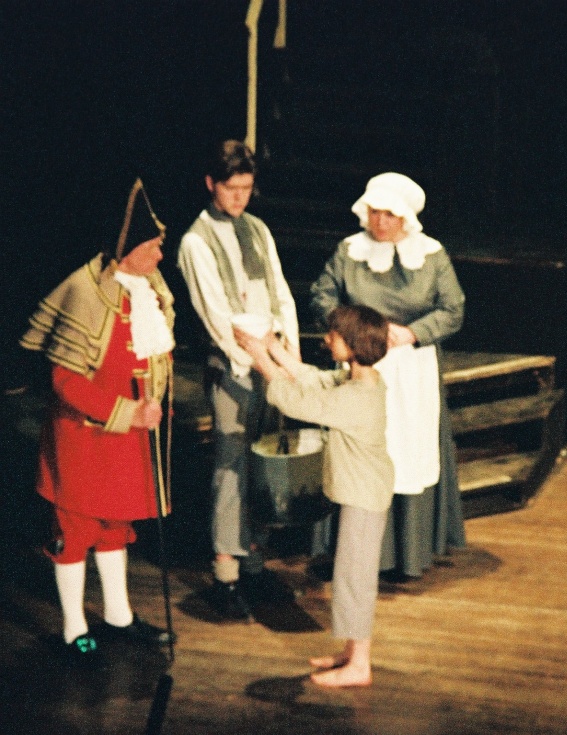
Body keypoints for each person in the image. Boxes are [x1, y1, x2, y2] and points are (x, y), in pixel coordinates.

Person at [20, 178, 176, 664]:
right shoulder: (85, 293)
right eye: (152, 247)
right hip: (85, 439)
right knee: (75, 532)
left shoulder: (150, 288)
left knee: (114, 527)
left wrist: (154, 403)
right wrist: (128, 412)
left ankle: (119, 615)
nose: (160, 256)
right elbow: (66, 383)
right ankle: (74, 628)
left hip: (130, 441)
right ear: (128, 251)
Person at [310, 172, 466, 578]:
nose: (380, 221)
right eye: (375, 212)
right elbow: (322, 294)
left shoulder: (431, 255)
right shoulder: (349, 251)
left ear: (405, 218)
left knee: (406, 451)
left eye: (389, 214)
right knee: (360, 453)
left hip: (410, 367)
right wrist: (354, 329)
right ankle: (355, 551)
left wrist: (412, 333)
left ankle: (407, 554)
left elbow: (453, 309)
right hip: (362, 364)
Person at [235, 305, 394, 687]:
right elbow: (311, 379)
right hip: (363, 490)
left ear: (352, 343)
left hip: (365, 495)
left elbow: (298, 402)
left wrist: (260, 357)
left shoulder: (357, 396)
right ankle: (352, 654)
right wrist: (273, 347)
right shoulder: (357, 380)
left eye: (334, 335)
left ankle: (360, 666)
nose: (326, 339)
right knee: (350, 574)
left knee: (354, 578)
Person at [177, 140, 300, 618]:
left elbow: (280, 290)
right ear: (211, 184)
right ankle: (226, 570)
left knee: (264, 458)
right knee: (230, 464)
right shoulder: (196, 241)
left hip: (270, 361)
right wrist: (256, 358)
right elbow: (215, 316)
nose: (239, 197)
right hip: (233, 367)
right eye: (231, 188)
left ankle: (255, 561)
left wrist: (288, 353)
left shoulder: (257, 229)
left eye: (247, 188)